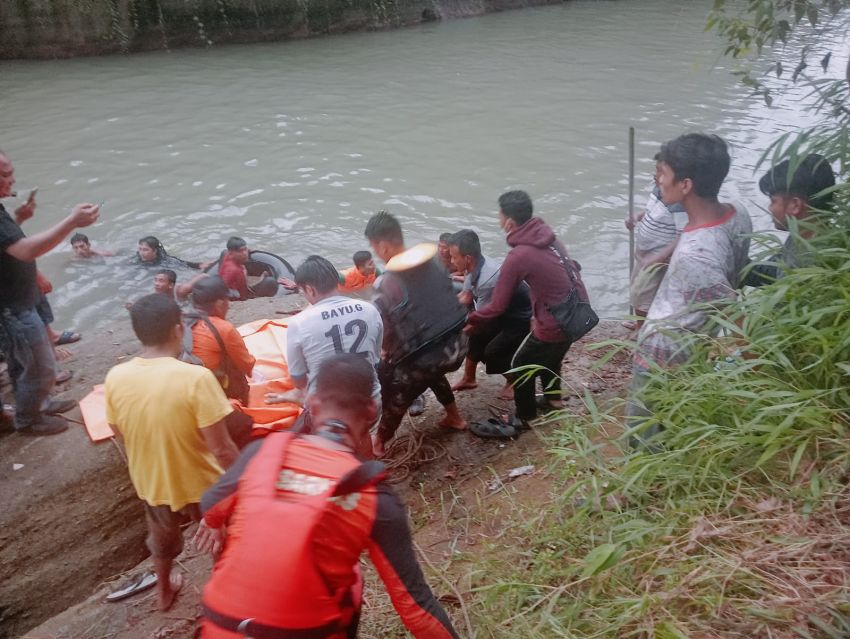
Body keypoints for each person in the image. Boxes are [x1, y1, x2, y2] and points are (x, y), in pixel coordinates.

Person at [195, 353, 460, 639]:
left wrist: (215, 522)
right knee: (352, 580)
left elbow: (211, 503)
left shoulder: (262, 451)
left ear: (312, 403)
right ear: (371, 412)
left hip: (220, 628)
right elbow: (415, 607)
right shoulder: (373, 493)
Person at [105, 294, 238, 611]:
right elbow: (222, 449)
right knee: (222, 538)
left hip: (153, 482)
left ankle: (164, 592)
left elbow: (118, 431)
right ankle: (226, 594)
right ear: (179, 329)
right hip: (205, 485)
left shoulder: (115, 377)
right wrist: (241, 483)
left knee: (163, 545)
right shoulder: (195, 378)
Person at [628, 133, 752, 446]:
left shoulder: (696, 256)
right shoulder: (738, 214)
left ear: (686, 185)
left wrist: (758, 367)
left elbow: (733, 314)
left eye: (663, 173)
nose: (658, 180)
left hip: (664, 354)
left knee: (644, 436)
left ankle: (643, 490)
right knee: (674, 421)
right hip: (693, 345)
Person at [465, 191, 587, 438]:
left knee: (521, 364)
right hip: (578, 312)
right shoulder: (549, 238)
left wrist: (471, 319)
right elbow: (571, 268)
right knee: (550, 358)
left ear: (509, 222)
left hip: (555, 321)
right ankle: (554, 402)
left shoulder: (518, 255)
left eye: (500, 215)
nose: (498, 219)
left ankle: (523, 418)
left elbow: (497, 306)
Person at [0, 149, 100, 435]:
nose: (13, 179)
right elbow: (26, 250)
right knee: (40, 366)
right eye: (6, 175)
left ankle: (37, 404)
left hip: (20, 300)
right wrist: (72, 222)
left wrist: (19, 220)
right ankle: (30, 420)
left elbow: (7, 246)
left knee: (23, 365)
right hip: (13, 309)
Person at [365, 211, 467, 456]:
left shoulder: (386, 284)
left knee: (396, 390)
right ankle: (455, 417)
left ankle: (378, 444)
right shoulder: (435, 263)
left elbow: (385, 330)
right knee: (429, 369)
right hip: (460, 344)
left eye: (374, 247)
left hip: (430, 357)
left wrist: (386, 354)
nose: (376, 253)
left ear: (383, 245)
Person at [447, 229, 531, 400]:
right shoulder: (474, 266)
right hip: (499, 310)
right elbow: (465, 296)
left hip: (519, 317)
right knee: (476, 337)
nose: (451, 261)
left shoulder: (487, 279)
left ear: (467, 258)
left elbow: (482, 319)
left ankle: (516, 380)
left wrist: (453, 335)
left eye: (454, 257)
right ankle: (469, 378)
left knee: (493, 352)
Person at [742, 153, 836, 286]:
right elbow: (772, 273)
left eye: (773, 201)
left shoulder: (808, 270)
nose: (769, 208)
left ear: (795, 205)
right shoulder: (803, 236)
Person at [625, 156, 687, 330]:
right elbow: (651, 212)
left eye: (661, 171)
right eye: (656, 169)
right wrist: (636, 217)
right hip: (644, 255)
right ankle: (639, 324)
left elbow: (683, 233)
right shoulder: (658, 191)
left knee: (643, 295)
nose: (655, 175)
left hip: (657, 260)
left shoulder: (677, 203)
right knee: (637, 292)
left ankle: (641, 332)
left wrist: (662, 255)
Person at [136, 235, 205, 270]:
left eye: (145, 250)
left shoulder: (165, 261)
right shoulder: (138, 256)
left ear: (154, 251)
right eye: (140, 249)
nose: (141, 252)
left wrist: (198, 265)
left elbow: (183, 264)